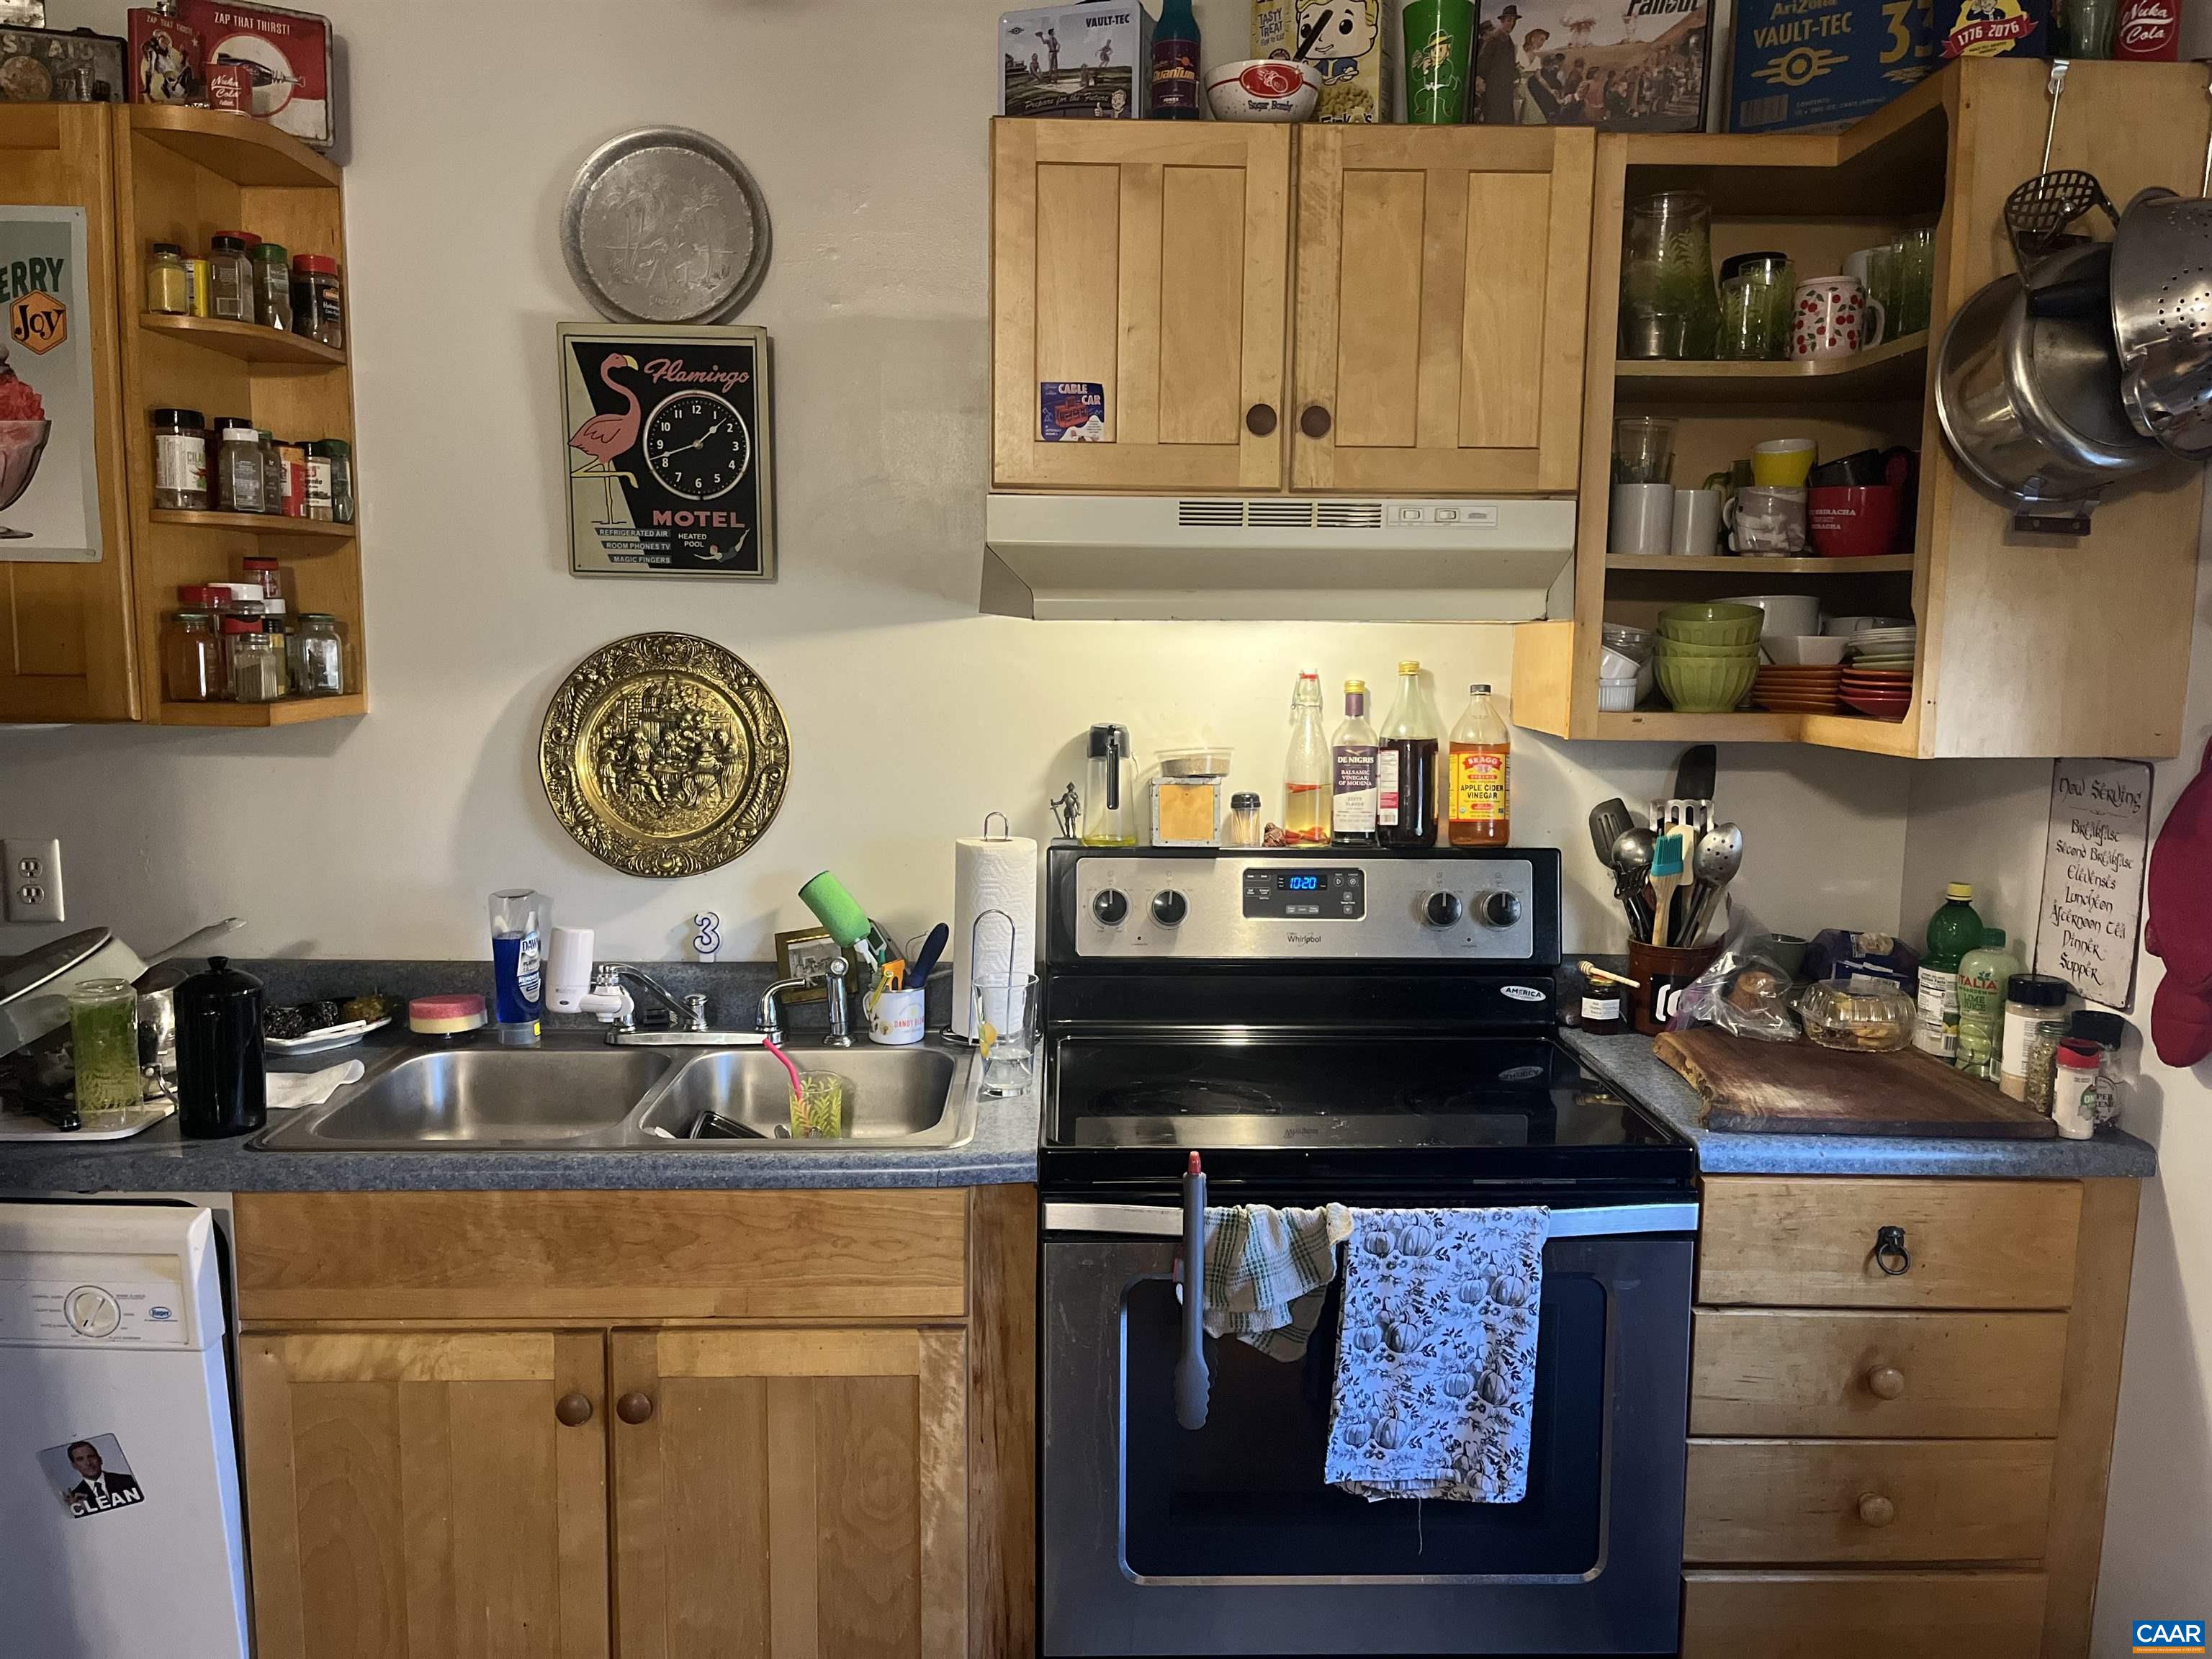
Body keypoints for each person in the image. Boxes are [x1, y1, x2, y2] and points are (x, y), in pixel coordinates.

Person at [64, 1442, 141, 1511]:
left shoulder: (127, 1481)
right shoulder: (75, 1499)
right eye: (80, 1459)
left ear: (100, 1460)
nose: (88, 1463)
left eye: (91, 1457)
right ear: (74, 1466)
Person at [1475, 6, 1520, 124]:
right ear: (1502, 21)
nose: (1512, 24)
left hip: (1506, 88)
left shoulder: (1508, 39)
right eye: (1509, 20)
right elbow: (1482, 63)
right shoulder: (1494, 39)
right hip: (1494, 88)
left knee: (1505, 120)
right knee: (1495, 120)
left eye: (1514, 21)